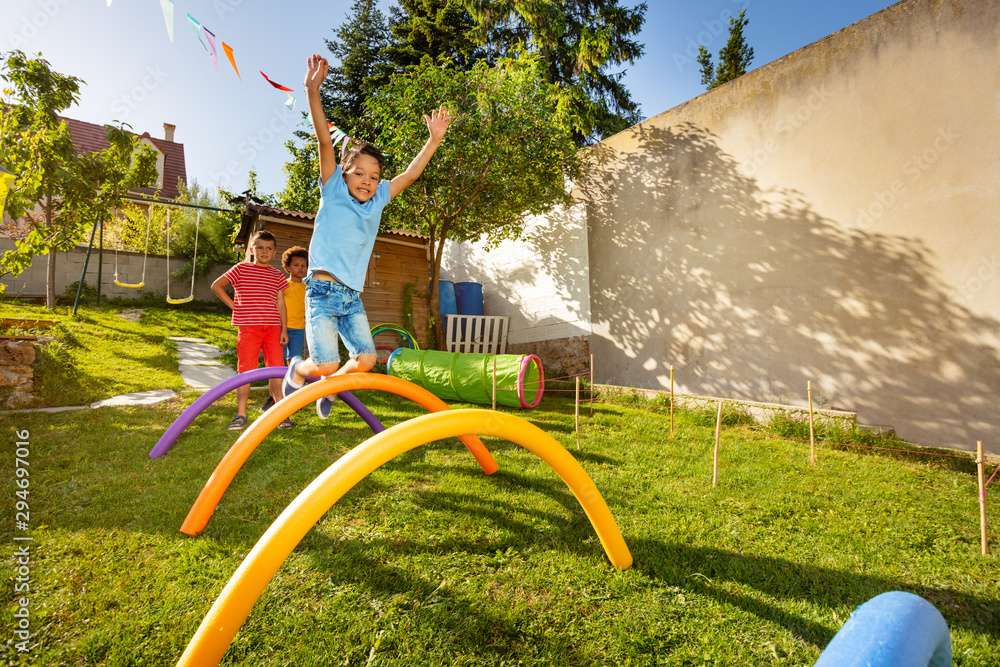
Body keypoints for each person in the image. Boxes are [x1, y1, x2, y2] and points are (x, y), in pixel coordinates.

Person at [283, 53, 450, 419]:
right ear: (345, 172)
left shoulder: (377, 202)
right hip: (323, 292)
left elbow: (410, 174)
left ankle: (330, 389)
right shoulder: (333, 189)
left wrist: (433, 140)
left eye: (374, 177)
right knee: (324, 363)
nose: (367, 182)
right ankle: (298, 370)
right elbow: (326, 143)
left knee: (367, 359)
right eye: (360, 174)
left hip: (351, 296)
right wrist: (313, 91)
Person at [212, 230, 291, 430]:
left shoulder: (277, 275)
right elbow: (216, 286)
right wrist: (235, 306)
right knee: (246, 370)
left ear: (274, 253)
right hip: (249, 329)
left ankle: (281, 413)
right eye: (260, 247)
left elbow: (281, 304)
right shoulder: (241, 269)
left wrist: (284, 330)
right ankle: (241, 414)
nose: (264, 252)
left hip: (273, 328)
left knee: (276, 370)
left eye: (269, 249)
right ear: (251, 250)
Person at [281, 245, 309, 363]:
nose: (300, 268)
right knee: (279, 358)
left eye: (303, 266)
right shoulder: (283, 284)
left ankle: (291, 380)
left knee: (294, 360)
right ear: (288, 267)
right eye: (296, 265)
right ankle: (278, 380)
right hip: (281, 327)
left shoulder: (307, 288)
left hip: (298, 329)